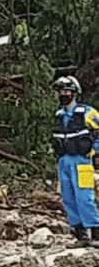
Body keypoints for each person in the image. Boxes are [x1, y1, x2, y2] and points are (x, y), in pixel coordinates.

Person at [52, 76, 99, 248]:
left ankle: (95, 234)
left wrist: (95, 151)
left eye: (66, 92)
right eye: (60, 92)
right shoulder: (59, 115)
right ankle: (80, 235)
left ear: (74, 93)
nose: (63, 95)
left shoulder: (88, 113)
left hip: (81, 162)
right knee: (68, 198)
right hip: (63, 162)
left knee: (84, 197)